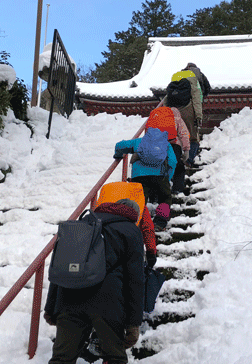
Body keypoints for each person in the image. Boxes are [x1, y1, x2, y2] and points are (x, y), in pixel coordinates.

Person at [44, 199, 145, 364]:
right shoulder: (131, 231)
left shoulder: (83, 223)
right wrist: (133, 323)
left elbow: (60, 266)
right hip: (108, 303)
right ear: (133, 214)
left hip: (69, 297)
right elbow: (135, 280)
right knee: (115, 358)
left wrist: (51, 306)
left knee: (61, 359)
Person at [114, 128, 177, 231]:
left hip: (139, 176)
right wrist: (167, 177)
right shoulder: (165, 144)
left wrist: (118, 155)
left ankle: (136, 224)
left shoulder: (140, 141)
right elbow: (173, 162)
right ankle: (160, 222)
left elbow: (119, 145)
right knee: (165, 198)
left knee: (139, 201)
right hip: (160, 175)